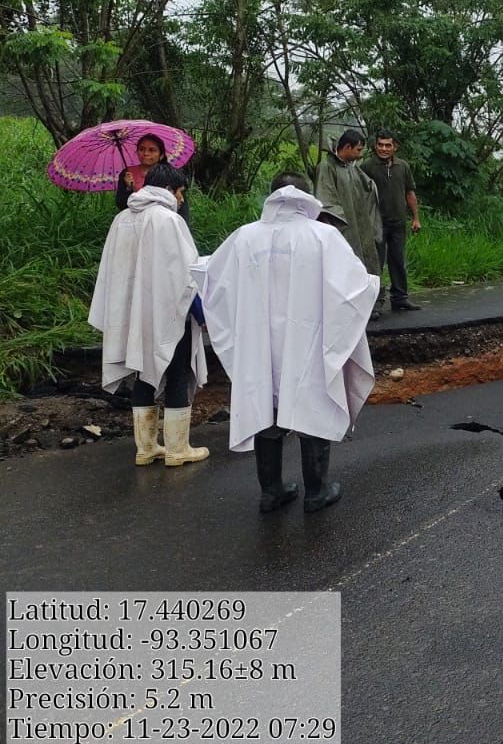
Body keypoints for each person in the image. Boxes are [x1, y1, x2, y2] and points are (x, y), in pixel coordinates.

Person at [193, 172, 380, 514]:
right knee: (313, 399)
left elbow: (212, 279)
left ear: (271, 195)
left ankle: (272, 490)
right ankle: (317, 490)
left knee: (265, 402)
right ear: (308, 198)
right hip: (308, 338)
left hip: (259, 344)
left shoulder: (243, 238)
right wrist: (371, 285)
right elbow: (353, 288)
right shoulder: (324, 236)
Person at [89, 162, 209, 467]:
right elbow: (187, 274)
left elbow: (114, 273)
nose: (182, 199)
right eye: (181, 192)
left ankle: (145, 448)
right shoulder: (168, 219)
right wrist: (202, 312)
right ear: (171, 189)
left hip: (132, 314)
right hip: (167, 312)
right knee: (177, 370)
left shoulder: (121, 219)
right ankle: (177, 449)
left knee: (143, 371)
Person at [315, 129, 382, 314]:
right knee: (347, 266)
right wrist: (338, 226)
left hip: (360, 225)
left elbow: (368, 186)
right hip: (342, 228)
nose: (360, 154)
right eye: (358, 150)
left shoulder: (350, 167)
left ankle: (369, 304)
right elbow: (325, 200)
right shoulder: (327, 167)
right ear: (346, 147)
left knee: (366, 262)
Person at [361, 130, 421, 313]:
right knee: (375, 264)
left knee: (398, 260)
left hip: (398, 222)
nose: (384, 149)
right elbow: (359, 195)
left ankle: (400, 298)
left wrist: (416, 218)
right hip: (376, 224)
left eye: (388, 145)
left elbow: (409, 193)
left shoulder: (402, 166)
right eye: (380, 145)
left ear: (395, 147)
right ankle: (375, 304)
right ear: (375, 146)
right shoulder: (367, 167)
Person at [115, 133, 189, 223]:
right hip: (136, 223)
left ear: (161, 155)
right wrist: (129, 188)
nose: (146, 153)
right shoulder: (127, 174)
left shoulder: (170, 175)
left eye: (152, 150)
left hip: (166, 222)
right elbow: (121, 205)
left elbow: (181, 204)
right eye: (142, 149)